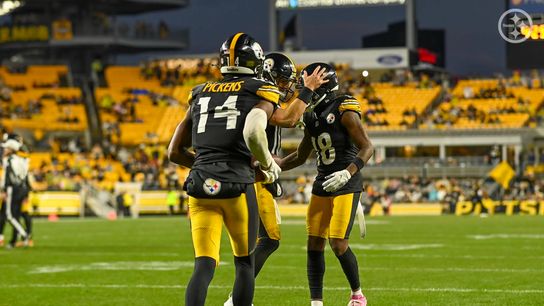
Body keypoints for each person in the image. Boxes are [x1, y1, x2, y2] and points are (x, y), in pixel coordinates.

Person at [168, 32, 283, 306]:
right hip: (237, 186)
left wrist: (209, 167)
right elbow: (255, 130)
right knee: (244, 263)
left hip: (199, 186)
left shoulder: (199, 92)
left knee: (203, 266)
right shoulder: (260, 89)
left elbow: (174, 151)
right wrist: (267, 165)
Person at [223, 52, 328, 306]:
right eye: (282, 81)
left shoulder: (253, 93)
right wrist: (308, 92)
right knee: (268, 239)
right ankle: (235, 299)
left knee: (260, 241)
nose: (285, 87)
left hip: (251, 172)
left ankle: (235, 298)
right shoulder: (259, 94)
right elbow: (288, 119)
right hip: (251, 175)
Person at [278, 63, 374, 306]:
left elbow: (367, 147)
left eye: (307, 84)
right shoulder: (310, 115)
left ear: (322, 85)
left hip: (346, 181)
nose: (301, 89)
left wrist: (348, 172)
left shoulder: (344, 106)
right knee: (313, 242)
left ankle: (357, 295)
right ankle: (316, 302)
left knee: (338, 243)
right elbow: (300, 156)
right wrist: (273, 164)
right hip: (322, 181)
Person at [0, 138, 30, 249]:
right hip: (22, 188)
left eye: (6, 148)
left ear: (11, 149)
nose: (4, 149)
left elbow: (7, 177)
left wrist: (3, 190)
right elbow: (25, 176)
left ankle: (24, 235)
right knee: (16, 215)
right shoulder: (22, 160)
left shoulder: (8, 160)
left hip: (12, 189)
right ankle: (13, 241)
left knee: (9, 215)